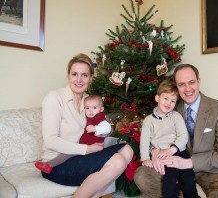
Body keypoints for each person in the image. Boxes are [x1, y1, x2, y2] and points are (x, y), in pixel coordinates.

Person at [134, 64, 218, 198]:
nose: (188, 89)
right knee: (142, 175)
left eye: (191, 82)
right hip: (176, 168)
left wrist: (187, 163)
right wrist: (154, 151)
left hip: (216, 171)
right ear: (177, 87)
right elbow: (154, 132)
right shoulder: (171, 106)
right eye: (181, 84)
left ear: (199, 82)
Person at [39, 53, 133, 198]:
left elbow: (98, 127)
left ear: (90, 78)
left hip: (81, 156)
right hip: (55, 164)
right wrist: (87, 149)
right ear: (68, 76)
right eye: (74, 74)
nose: (79, 80)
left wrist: (102, 133)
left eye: (84, 75)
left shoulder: (90, 102)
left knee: (127, 150)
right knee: (117, 161)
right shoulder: (54, 98)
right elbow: (51, 140)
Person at [140, 80, 200, 198]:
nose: (169, 103)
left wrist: (172, 150)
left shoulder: (176, 116)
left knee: (188, 179)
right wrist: (146, 158)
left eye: (173, 101)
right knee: (171, 181)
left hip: (180, 152)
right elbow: (144, 141)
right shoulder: (148, 120)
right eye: (165, 98)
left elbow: (183, 135)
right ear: (157, 98)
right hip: (162, 155)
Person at [34, 95, 112, 174]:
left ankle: (49, 165)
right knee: (68, 153)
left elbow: (107, 128)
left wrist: (95, 129)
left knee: (68, 154)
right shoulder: (88, 116)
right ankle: (49, 165)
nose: (91, 111)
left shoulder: (99, 117)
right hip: (84, 146)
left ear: (101, 109)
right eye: (87, 108)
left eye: (94, 108)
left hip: (94, 147)